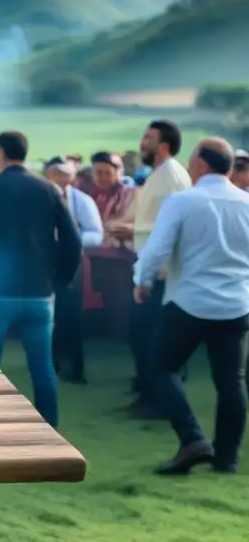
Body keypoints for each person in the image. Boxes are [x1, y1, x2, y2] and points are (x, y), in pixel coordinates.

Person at [134, 138, 249, 475]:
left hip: (190, 301)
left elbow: (157, 249)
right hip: (236, 304)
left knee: (159, 368)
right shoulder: (247, 203)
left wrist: (142, 280)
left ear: (199, 164)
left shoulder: (183, 201)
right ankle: (227, 458)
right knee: (232, 382)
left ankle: (193, 438)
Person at [0, 131, 82, 427]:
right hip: (39, 293)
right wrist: (58, 281)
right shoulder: (48, 190)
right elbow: (73, 243)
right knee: (42, 367)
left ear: (0, 153)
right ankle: (50, 429)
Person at [109, 120, 192, 418]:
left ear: (164, 146)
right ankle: (149, 395)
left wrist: (129, 232)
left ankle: (155, 401)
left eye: (148, 138)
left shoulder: (169, 175)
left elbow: (166, 227)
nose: (142, 143)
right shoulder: (161, 174)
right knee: (142, 334)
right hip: (154, 269)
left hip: (160, 272)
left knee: (147, 336)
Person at [44, 157, 104, 384]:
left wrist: (70, 240)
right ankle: (52, 363)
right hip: (45, 265)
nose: (60, 179)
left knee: (72, 317)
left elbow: (95, 234)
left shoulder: (82, 201)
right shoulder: (40, 199)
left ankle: (75, 368)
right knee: (48, 316)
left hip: (73, 266)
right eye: (55, 174)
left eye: (64, 174)